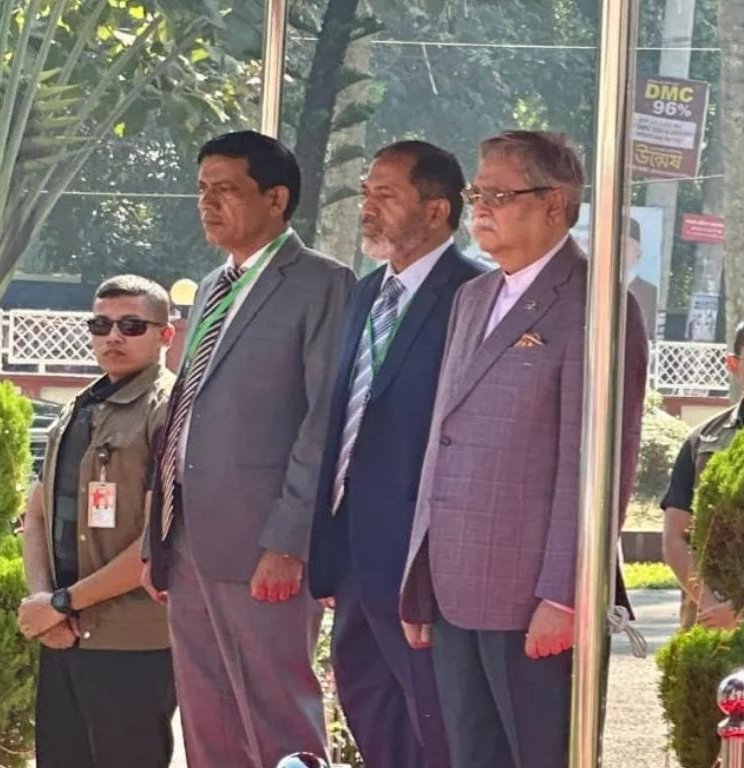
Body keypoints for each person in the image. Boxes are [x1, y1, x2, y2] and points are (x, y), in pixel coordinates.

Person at [398, 130, 649, 768]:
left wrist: (565, 594)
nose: (480, 209)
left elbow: (596, 465)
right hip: (455, 585)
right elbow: (444, 441)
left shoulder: (596, 305)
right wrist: (419, 576)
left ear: (554, 203)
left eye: (499, 195)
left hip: (532, 599)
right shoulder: (472, 297)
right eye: (476, 194)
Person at [141, 130, 355, 767]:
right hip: (188, 539)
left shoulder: (322, 283)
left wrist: (290, 540)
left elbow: (324, 421)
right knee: (207, 718)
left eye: (226, 189)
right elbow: (186, 410)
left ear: (276, 198)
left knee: (278, 716)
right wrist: (158, 536)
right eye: (202, 190)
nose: (207, 203)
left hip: (264, 543)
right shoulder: (213, 283)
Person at [307, 141, 483, 768]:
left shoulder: (473, 295)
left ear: (437, 210)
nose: (368, 207)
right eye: (365, 192)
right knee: (368, 705)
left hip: (417, 558)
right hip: (352, 550)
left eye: (386, 194)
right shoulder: (364, 293)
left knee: (433, 720)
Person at [18, 275, 177, 768]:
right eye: (100, 325)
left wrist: (62, 603)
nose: (113, 337)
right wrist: (45, 604)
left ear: (165, 334)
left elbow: (157, 543)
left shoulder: (170, 412)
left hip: (132, 643)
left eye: (131, 325)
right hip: (63, 633)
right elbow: (37, 511)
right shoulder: (78, 407)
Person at [660, 314, 744, 629]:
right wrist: (711, 605)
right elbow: (676, 537)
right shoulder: (703, 441)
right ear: (733, 364)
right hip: (710, 617)